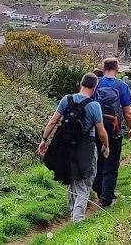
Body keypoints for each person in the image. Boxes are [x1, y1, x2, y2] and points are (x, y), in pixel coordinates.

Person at [38, 73, 109, 223]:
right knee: (85, 180)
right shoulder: (94, 105)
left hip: (66, 147)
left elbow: (53, 122)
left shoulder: (67, 99)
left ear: (81, 84)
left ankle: (72, 209)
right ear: (95, 87)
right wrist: (106, 146)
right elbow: (101, 131)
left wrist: (44, 140)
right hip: (86, 148)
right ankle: (78, 219)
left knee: (71, 177)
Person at [93, 58, 131, 208]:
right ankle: (106, 199)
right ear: (117, 69)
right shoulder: (122, 86)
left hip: (96, 130)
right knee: (111, 164)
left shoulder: (96, 83)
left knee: (98, 161)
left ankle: (99, 191)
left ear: (104, 68)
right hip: (114, 131)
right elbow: (128, 113)